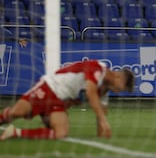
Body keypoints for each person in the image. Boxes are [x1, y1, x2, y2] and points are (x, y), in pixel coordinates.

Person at [0, 60, 135, 140]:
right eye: (122, 87)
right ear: (119, 77)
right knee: (16, 113)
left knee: (61, 134)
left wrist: (102, 135)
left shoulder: (105, 90)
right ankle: (5, 115)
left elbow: (102, 113)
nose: (119, 91)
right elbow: (90, 93)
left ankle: (14, 132)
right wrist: (104, 121)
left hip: (59, 102)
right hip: (50, 87)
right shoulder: (96, 67)